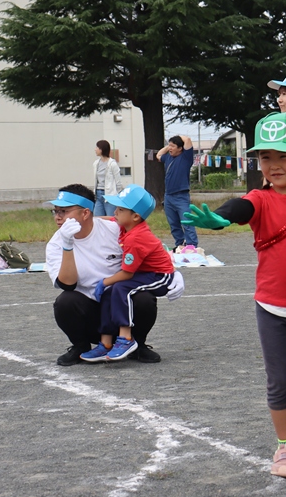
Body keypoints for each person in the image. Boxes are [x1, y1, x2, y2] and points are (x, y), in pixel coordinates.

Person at [181, 112, 286, 484]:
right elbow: (241, 207)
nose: (274, 165)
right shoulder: (259, 198)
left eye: (283, 156)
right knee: (278, 380)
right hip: (270, 308)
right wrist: (222, 218)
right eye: (265, 157)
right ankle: (285, 446)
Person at [45, 184, 183, 366]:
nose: (57, 217)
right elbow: (68, 284)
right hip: (91, 312)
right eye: (55, 211)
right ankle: (81, 346)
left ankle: (136, 344)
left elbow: (147, 244)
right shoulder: (56, 244)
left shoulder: (114, 229)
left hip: (121, 306)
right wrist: (67, 245)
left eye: (63, 211)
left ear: (85, 213)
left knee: (144, 299)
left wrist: (171, 271)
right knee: (65, 301)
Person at [81, 185, 176, 363]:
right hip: (143, 273)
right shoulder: (128, 225)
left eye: (120, 209)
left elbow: (127, 274)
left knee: (120, 288)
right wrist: (91, 220)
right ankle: (106, 343)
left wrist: (104, 282)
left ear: (135, 216)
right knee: (110, 292)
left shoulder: (135, 238)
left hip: (160, 276)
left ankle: (125, 338)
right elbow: (109, 219)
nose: (115, 212)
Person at [156, 135, 198, 249]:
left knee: (187, 222)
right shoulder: (168, 157)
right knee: (173, 223)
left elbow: (187, 140)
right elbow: (158, 155)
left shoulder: (186, 157)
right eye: (169, 146)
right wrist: (169, 146)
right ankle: (180, 244)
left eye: (173, 146)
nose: (170, 148)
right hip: (168, 196)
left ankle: (192, 245)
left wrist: (178, 137)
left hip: (181, 196)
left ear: (180, 148)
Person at [92, 139, 124, 217]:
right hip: (98, 194)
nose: (95, 150)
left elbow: (118, 182)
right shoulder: (96, 163)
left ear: (101, 149)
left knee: (111, 218)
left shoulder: (112, 164)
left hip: (110, 195)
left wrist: (118, 195)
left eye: (97, 148)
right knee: (98, 219)